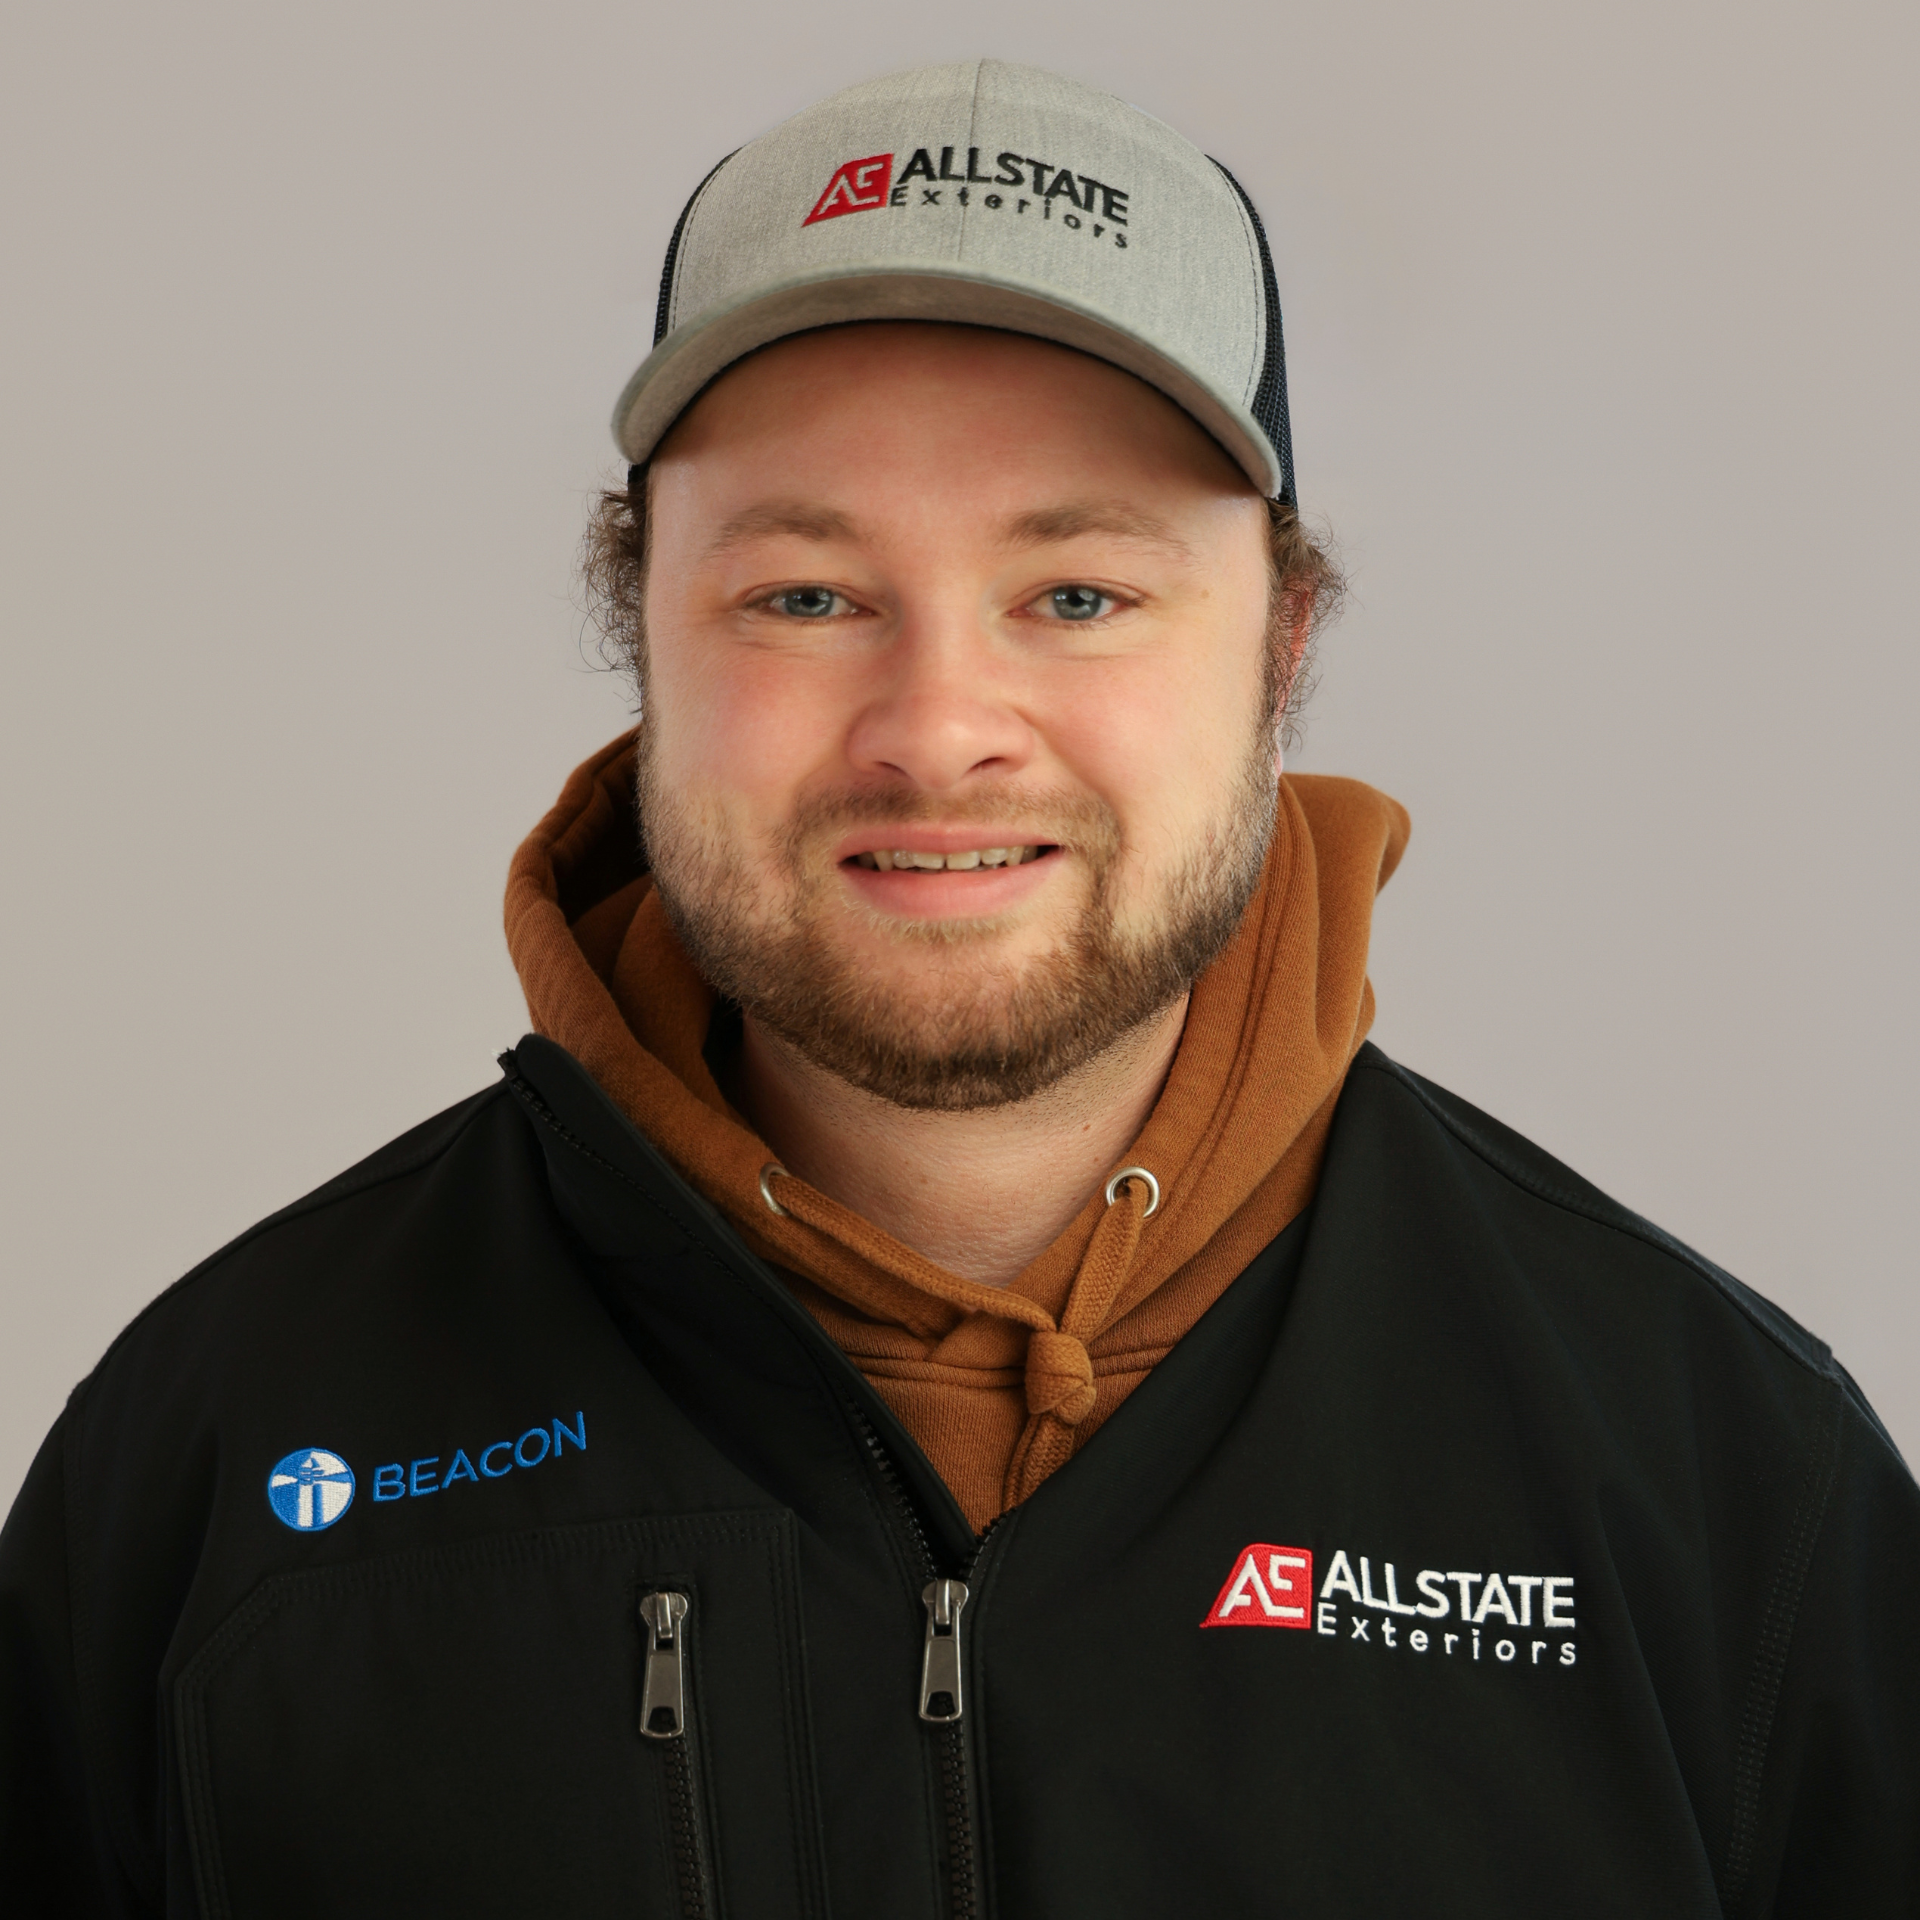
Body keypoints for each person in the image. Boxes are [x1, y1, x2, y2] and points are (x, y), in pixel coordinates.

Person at [3, 57, 1916, 1919]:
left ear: (1281, 645)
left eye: (1078, 594)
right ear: (640, 627)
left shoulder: (1727, 1490)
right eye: (806, 595)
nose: (936, 733)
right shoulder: (221, 1463)